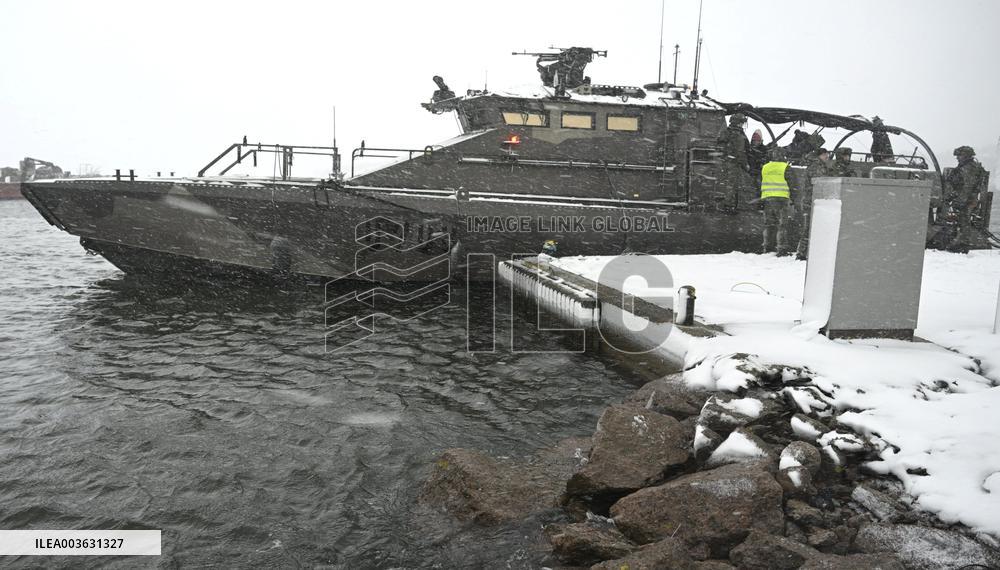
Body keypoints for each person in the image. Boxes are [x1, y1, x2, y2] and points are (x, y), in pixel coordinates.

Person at [944, 145, 986, 253]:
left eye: (959, 155)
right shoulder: (967, 167)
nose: (957, 158)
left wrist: (960, 201)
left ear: (966, 156)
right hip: (965, 198)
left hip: (967, 200)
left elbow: (967, 187)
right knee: (962, 221)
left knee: (964, 221)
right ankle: (960, 242)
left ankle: (962, 244)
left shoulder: (969, 168)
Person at [795, 148, 832, 260]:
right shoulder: (817, 167)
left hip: (812, 201)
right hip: (812, 201)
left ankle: (804, 252)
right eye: (825, 154)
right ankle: (802, 253)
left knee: (809, 228)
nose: (827, 157)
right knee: (808, 229)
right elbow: (820, 183)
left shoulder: (817, 166)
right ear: (820, 155)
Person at [760, 148, 798, 256]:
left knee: (768, 225)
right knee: (781, 225)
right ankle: (781, 249)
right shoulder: (785, 168)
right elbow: (792, 185)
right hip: (780, 199)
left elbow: (760, 181)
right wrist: (794, 200)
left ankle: (767, 247)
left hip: (767, 198)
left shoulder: (765, 167)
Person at [717, 113, 752, 210]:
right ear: (738, 123)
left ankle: (727, 204)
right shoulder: (738, 135)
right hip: (734, 163)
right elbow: (741, 152)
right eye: (742, 123)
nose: (742, 125)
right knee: (733, 184)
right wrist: (746, 165)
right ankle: (729, 206)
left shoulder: (726, 132)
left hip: (724, 162)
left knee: (727, 184)